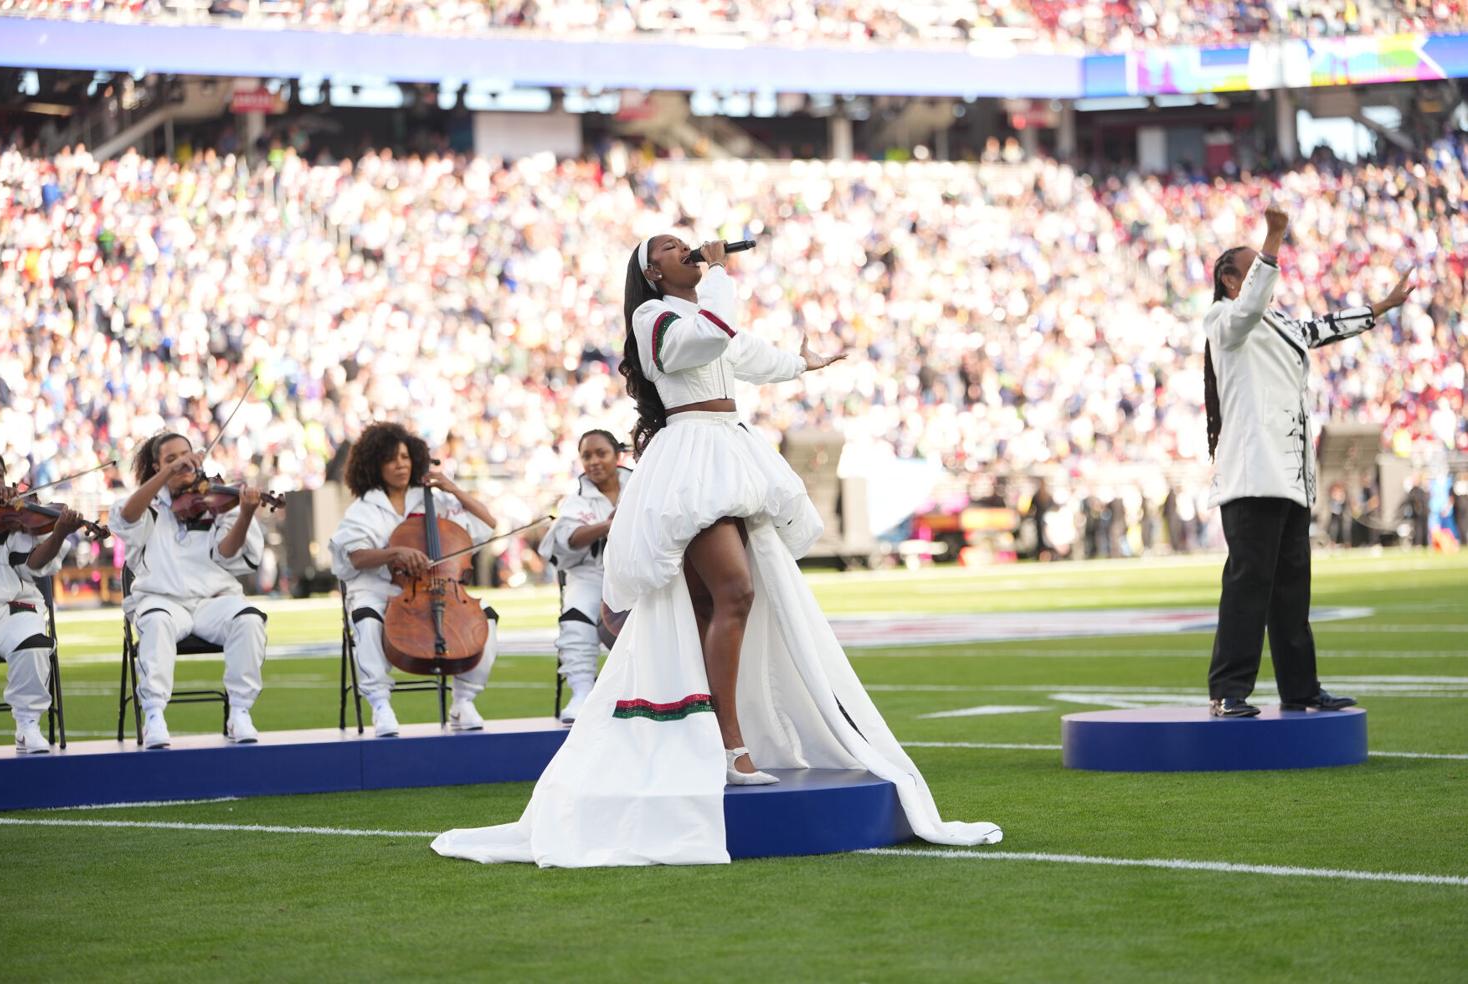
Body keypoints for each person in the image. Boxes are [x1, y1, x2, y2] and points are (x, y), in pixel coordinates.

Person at [432, 234, 1001, 867]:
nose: (691, 251)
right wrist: (722, 277)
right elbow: (705, 338)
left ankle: (711, 734)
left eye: (690, 246)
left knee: (714, 605)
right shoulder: (654, 317)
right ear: (653, 270)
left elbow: (742, 351)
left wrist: (804, 363)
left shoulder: (700, 313)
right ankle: (729, 742)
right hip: (692, 458)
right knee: (737, 592)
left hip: (726, 446)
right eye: (675, 248)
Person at [1202, 204, 1417, 717]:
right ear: (1231, 280)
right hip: (1253, 476)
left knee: (1293, 591)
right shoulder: (1225, 320)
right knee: (1248, 584)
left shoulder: (1277, 323)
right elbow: (1252, 303)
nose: (1265, 272)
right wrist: (1274, 237)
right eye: (1253, 266)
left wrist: (1380, 307)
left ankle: (1301, 689)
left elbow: (1320, 328)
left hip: (1291, 477)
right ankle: (1228, 690)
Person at [328, 423, 501, 737]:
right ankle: (380, 705)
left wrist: (453, 488)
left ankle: (464, 700)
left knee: (486, 618)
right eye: (391, 459)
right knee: (366, 619)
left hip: (438, 588)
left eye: (406, 457)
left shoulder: (434, 499)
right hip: (377, 589)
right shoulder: (363, 510)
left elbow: (487, 525)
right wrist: (393, 553)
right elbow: (355, 557)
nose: (401, 465)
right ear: (374, 465)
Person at [109, 434, 269, 748]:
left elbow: (227, 553)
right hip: (163, 601)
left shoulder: (220, 500)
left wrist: (246, 513)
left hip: (214, 601)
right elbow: (125, 517)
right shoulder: (147, 503)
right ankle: (154, 714)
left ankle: (240, 712)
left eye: (186, 456)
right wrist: (167, 476)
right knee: (156, 622)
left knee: (249, 619)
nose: (182, 463)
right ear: (157, 466)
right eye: (171, 459)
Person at [539, 430, 631, 725]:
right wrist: (608, 525)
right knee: (576, 613)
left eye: (600, 453)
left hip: (635, 573)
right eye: (587, 456)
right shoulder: (575, 499)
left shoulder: (640, 483)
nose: (593, 461)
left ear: (617, 456)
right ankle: (581, 692)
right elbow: (571, 538)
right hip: (590, 574)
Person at [0, 452, 80, 754]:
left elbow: (32, 566)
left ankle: (28, 724)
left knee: (35, 641)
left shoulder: (13, 518)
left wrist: (57, 534)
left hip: (11, 609)